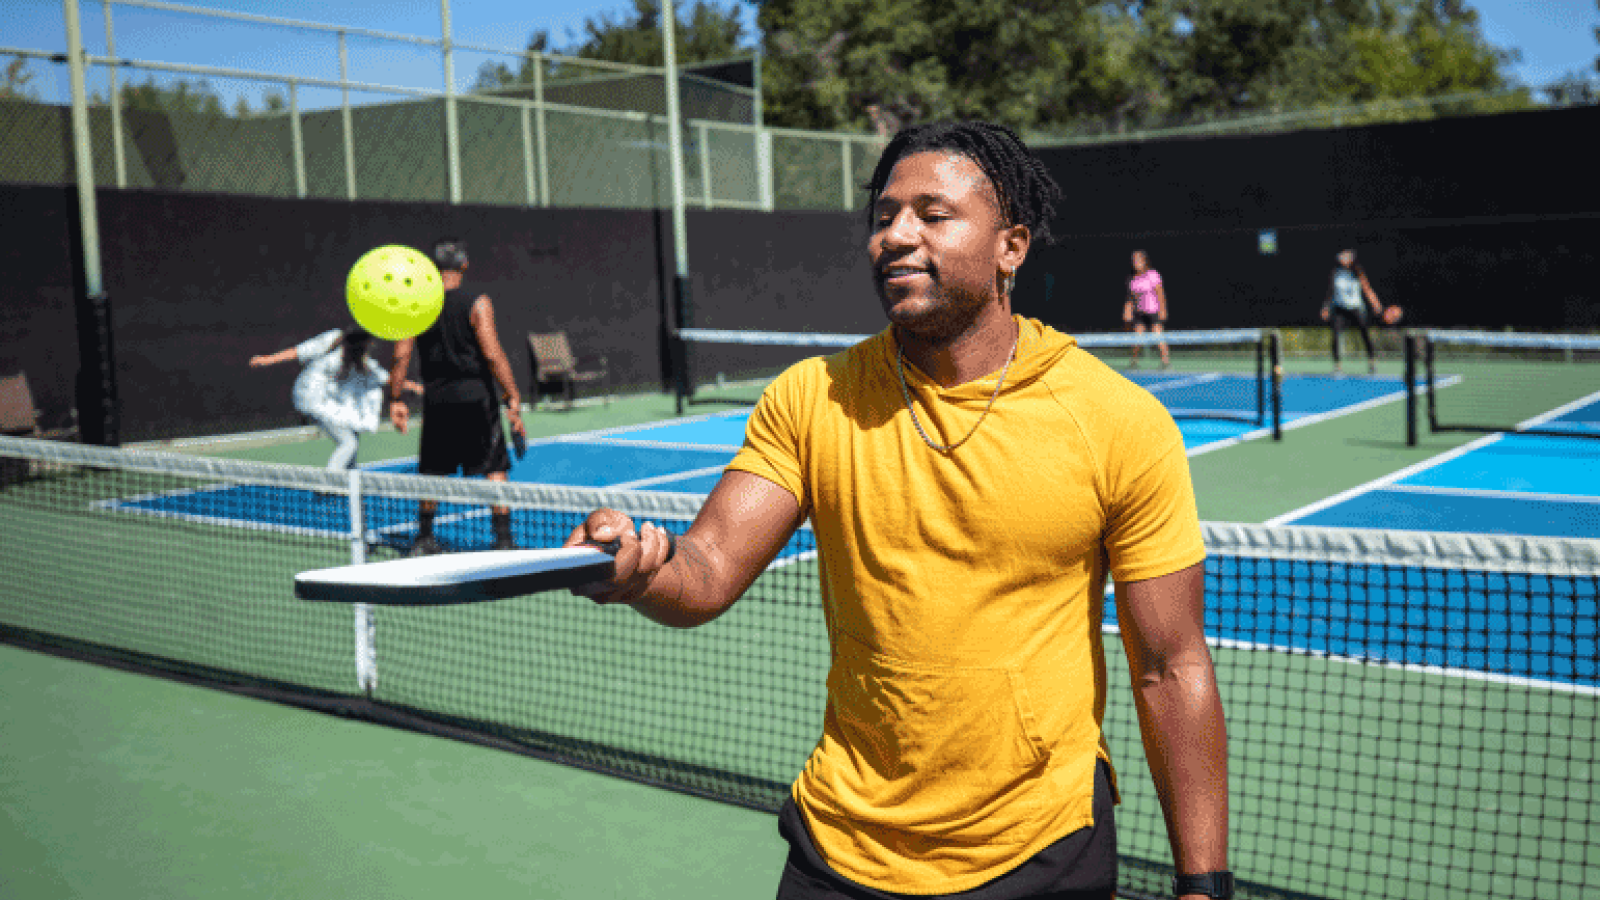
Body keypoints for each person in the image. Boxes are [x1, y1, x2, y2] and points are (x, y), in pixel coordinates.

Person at [567, 122, 1231, 900]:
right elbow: (707, 568)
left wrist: (1202, 883)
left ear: (1010, 246)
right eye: (884, 216)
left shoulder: (1118, 419)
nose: (896, 235)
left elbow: (1170, 665)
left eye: (932, 214)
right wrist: (643, 571)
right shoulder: (811, 398)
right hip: (842, 851)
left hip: (1045, 850)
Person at [388, 239, 527, 556]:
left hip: (437, 401)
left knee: (432, 470)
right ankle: (503, 540)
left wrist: (395, 398)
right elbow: (492, 354)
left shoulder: (416, 304)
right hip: (477, 398)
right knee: (494, 467)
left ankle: (424, 537)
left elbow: (401, 355)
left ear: (432, 267)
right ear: (464, 265)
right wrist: (512, 396)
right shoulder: (478, 302)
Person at [249, 326, 418, 471]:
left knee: (353, 436)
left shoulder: (362, 361)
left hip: (334, 402)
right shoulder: (331, 340)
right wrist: (267, 359)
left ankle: (352, 478)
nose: (366, 349)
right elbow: (298, 351)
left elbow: (385, 378)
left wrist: (415, 387)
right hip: (311, 397)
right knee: (349, 443)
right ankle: (329, 483)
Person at [1321, 249, 1384, 375]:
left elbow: (1367, 290)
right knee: (1336, 335)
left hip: (1356, 308)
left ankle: (1372, 363)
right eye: (1342, 256)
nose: (1343, 258)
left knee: (1365, 334)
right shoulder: (1335, 272)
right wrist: (1325, 307)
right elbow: (1330, 292)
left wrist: (1376, 304)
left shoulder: (1358, 273)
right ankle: (1337, 367)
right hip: (1340, 309)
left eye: (1346, 256)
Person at [1123, 249, 1169, 369]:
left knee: (1158, 336)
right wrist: (1128, 310)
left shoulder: (1153, 274)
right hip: (1140, 313)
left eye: (1138, 259)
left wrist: (1163, 310)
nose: (1136, 262)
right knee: (1137, 339)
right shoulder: (1132, 279)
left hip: (1154, 311)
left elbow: (1160, 293)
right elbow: (1131, 298)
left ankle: (1165, 362)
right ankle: (1134, 361)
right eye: (1134, 260)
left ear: (1145, 261)